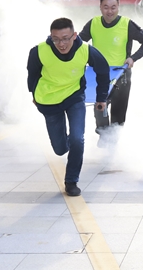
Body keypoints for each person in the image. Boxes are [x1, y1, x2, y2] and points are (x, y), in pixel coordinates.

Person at [27, 18, 109, 196]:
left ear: (74, 35)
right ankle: (67, 144)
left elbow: (103, 70)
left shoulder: (85, 50)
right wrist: (34, 95)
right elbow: (32, 75)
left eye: (65, 38)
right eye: (56, 39)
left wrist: (101, 98)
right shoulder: (39, 51)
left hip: (74, 97)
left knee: (77, 139)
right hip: (49, 100)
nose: (61, 44)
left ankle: (71, 181)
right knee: (60, 149)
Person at [79, 0, 143, 133]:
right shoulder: (93, 23)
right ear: (100, 7)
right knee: (100, 111)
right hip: (99, 76)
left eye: (113, 7)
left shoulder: (127, 24)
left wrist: (133, 58)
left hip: (121, 76)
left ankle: (112, 141)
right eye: (106, 7)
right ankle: (103, 135)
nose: (110, 11)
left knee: (117, 119)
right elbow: (79, 44)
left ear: (118, 7)